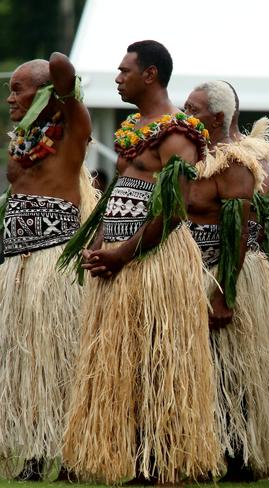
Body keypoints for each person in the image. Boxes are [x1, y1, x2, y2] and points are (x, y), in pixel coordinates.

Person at [61, 40, 220, 484]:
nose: (117, 76)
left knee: (159, 362)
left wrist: (122, 253)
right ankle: (141, 463)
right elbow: (117, 195)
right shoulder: (135, 127)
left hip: (155, 264)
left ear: (150, 74)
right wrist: (98, 243)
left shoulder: (180, 134)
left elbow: (173, 210)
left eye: (124, 69)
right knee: (125, 364)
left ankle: (169, 466)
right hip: (118, 261)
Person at [184, 81, 269, 481]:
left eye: (192, 107)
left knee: (231, 369)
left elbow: (241, 229)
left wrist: (224, 293)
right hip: (189, 275)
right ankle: (201, 450)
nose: (184, 111)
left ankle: (237, 456)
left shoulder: (237, 162)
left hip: (229, 276)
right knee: (199, 368)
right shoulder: (189, 155)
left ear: (217, 117)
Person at [0, 52, 97, 481]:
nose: (10, 98)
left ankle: (73, 457)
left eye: (18, 89)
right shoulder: (20, 138)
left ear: (45, 95)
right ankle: (36, 454)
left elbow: (61, 65)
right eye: (9, 90)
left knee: (60, 360)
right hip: (15, 262)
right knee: (25, 362)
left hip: (53, 263)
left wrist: (56, 94)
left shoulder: (73, 129)